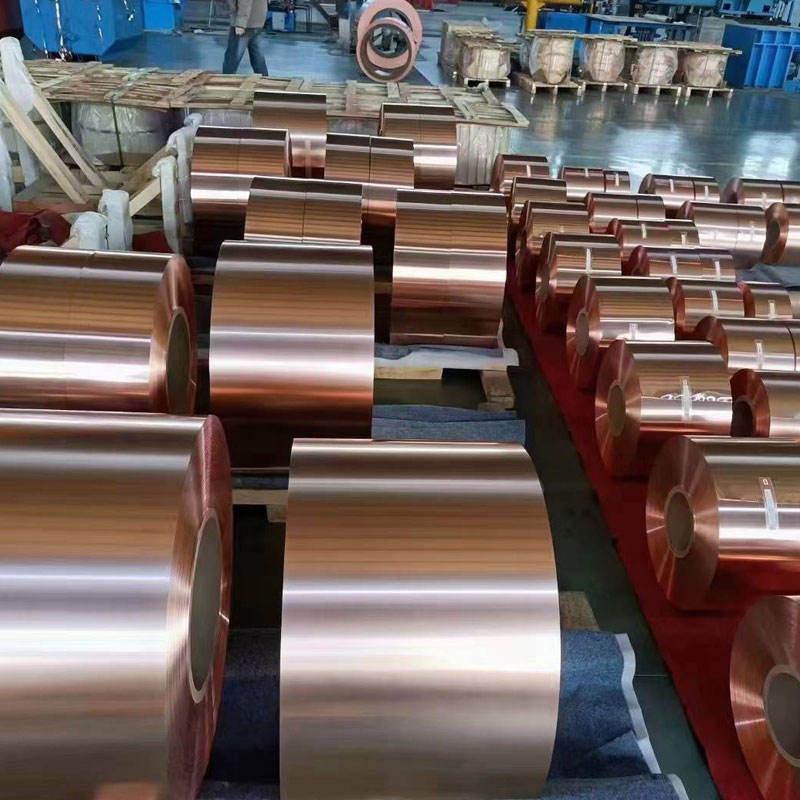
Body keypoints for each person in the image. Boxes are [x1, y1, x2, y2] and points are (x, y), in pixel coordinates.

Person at [222, 0, 269, 76]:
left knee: (232, 56)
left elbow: (245, 2)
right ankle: (264, 79)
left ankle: (226, 79)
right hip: (257, 21)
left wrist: (240, 24)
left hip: (246, 23)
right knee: (257, 56)